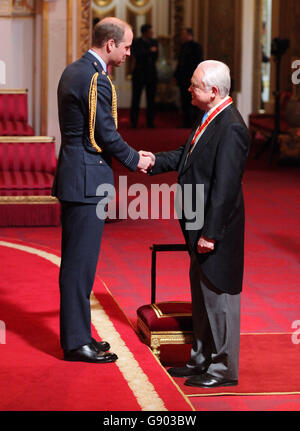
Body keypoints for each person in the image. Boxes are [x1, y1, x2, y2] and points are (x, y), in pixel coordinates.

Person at [52, 17, 154, 364]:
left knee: (79, 266)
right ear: (110, 44)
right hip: (85, 182)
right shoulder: (95, 78)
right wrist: (135, 160)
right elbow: (105, 134)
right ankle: (76, 343)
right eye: (126, 46)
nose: (129, 52)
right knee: (79, 267)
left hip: (77, 177)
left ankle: (79, 336)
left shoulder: (76, 70)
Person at [148, 60, 250, 388]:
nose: (188, 89)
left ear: (214, 92)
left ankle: (223, 369)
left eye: (194, 85)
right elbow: (186, 155)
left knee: (219, 299)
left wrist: (210, 234)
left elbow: (226, 187)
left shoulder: (231, 126)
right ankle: (202, 359)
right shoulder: (210, 117)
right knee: (203, 299)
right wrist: (152, 162)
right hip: (197, 227)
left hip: (213, 232)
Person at [130, 24, 158, 128]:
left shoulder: (154, 42)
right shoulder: (137, 42)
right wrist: (149, 51)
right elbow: (136, 54)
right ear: (145, 32)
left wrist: (146, 53)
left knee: (151, 99)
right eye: (150, 31)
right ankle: (134, 122)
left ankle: (150, 122)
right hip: (139, 74)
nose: (152, 33)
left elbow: (155, 56)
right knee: (135, 98)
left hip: (151, 74)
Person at [174, 28, 203, 128]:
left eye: (183, 34)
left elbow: (198, 63)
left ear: (189, 35)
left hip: (192, 78)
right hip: (182, 78)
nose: (182, 36)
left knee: (194, 101)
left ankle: (195, 122)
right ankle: (186, 121)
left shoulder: (196, 47)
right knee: (184, 101)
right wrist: (176, 75)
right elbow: (180, 63)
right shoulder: (182, 47)